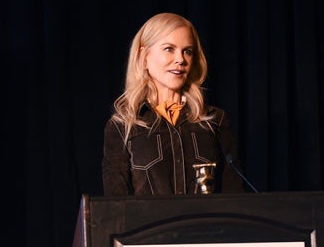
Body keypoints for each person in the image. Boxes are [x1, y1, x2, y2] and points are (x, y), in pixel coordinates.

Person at [103, 12, 247, 196]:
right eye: (169, 49)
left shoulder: (215, 121)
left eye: (187, 51)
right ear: (144, 56)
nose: (180, 59)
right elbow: (116, 209)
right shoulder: (122, 126)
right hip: (152, 225)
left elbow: (234, 196)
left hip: (207, 225)